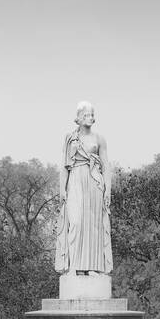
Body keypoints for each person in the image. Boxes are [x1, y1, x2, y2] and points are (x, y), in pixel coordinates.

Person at [54, 101, 113, 276]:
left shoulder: (99, 138)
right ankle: (74, 266)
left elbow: (106, 166)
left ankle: (93, 267)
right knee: (77, 222)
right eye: (86, 114)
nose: (90, 117)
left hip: (95, 181)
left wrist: (108, 190)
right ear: (79, 118)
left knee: (94, 225)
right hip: (76, 180)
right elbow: (64, 166)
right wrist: (62, 189)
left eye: (92, 114)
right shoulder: (70, 138)